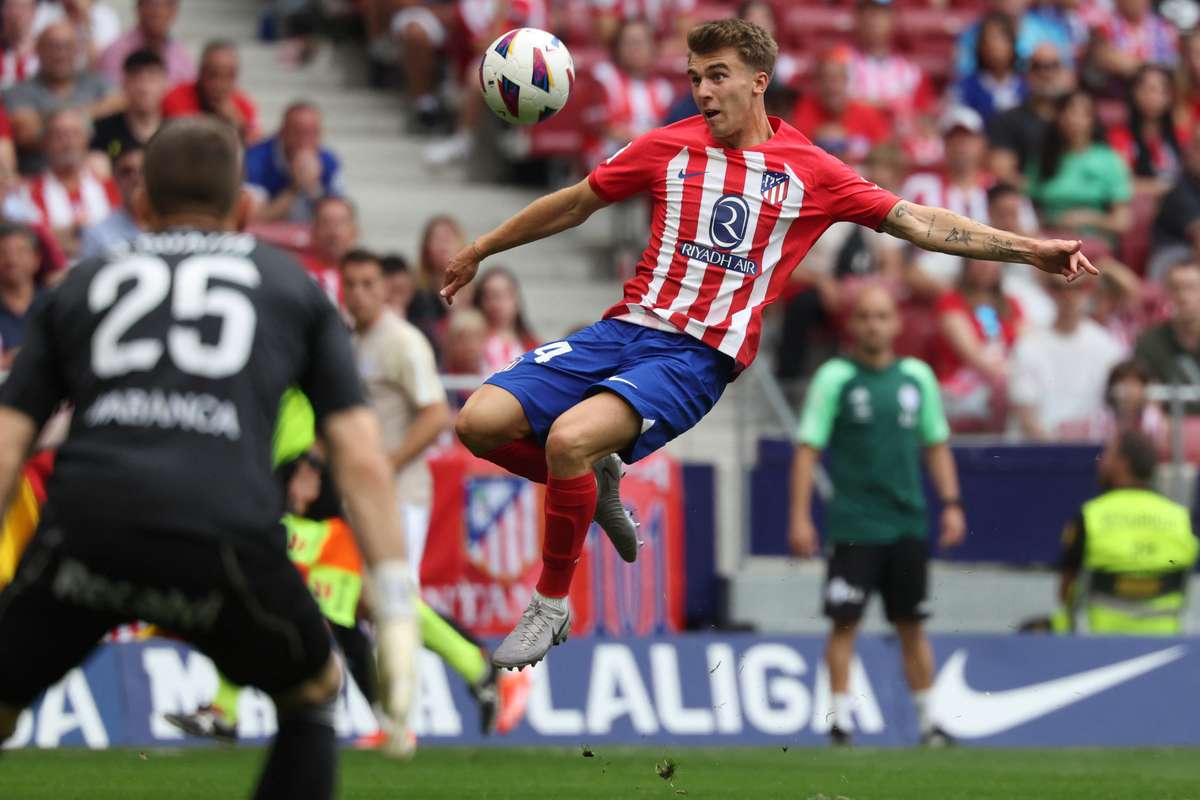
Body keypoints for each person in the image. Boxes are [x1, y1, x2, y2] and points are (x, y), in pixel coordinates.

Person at [440, 18, 1098, 670]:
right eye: (696, 78)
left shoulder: (810, 170)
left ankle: (552, 605)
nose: (703, 91)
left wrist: (1030, 250)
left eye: (717, 76)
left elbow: (919, 221)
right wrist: (481, 247)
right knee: (478, 423)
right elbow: (577, 203)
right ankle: (596, 477)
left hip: (694, 355)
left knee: (566, 441)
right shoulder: (669, 145)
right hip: (623, 329)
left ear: (759, 82)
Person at [0, 117, 421, 790]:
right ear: (246, 209)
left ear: (139, 207)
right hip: (221, 534)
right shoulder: (290, 286)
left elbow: (10, 440)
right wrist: (395, 606)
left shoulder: (79, 284)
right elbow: (360, 453)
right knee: (311, 691)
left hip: (86, 530)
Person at [340, 249, 519, 738]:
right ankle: (474, 666)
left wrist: (388, 465)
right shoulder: (354, 342)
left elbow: (436, 413)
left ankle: (399, 718)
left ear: (384, 289)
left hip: (400, 491)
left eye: (366, 284)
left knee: (386, 598)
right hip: (367, 493)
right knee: (364, 600)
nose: (357, 293)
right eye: (349, 284)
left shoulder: (401, 342)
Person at [790, 285, 964, 747]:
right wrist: (800, 517)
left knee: (912, 624)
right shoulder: (835, 377)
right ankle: (840, 722)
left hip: (907, 522)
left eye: (882, 316)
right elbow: (808, 451)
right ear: (853, 324)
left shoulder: (916, 378)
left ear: (896, 323)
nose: (873, 324)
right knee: (844, 623)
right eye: (865, 316)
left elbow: (936, 444)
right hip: (854, 525)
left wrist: (951, 503)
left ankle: (929, 725)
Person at [1054, 430, 1197, 634]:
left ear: (1123, 463)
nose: (1100, 462)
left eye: (1108, 454)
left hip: (1096, 641)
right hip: (1164, 638)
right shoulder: (1181, 518)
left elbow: (1065, 593)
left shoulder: (1090, 516)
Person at [1009, 275, 1125, 440]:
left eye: (1077, 288)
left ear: (1088, 291)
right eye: (1060, 288)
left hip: (1092, 450)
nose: (1069, 296)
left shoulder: (1108, 347)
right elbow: (1026, 418)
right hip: (1040, 450)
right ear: (1050, 292)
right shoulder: (1028, 346)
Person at [3, 22, 121, 174]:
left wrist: (56, 121)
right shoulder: (18, 91)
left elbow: (121, 102)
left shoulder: (95, 81)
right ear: (38, 50)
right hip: (38, 175)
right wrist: (88, 115)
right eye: (52, 46)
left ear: (77, 50)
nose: (60, 53)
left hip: (93, 171)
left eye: (66, 46)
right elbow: (27, 133)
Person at [902, 106, 994, 297]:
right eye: (954, 139)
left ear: (982, 143)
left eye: (967, 138)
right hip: (932, 275)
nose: (961, 145)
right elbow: (895, 244)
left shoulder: (998, 190)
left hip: (989, 276)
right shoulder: (919, 186)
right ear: (944, 144)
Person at [1027, 89, 1132, 243]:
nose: (1073, 119)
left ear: (1092, 119)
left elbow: (1122, 222)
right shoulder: (1044, 158)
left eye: (1082, 114)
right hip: (1048, 240)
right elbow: (1030, 208)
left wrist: (1089, 218)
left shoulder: (1109, 159)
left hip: (1093, 241)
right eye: (1067, 112)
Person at [931, 259, 1025, 429]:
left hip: (1006, 383)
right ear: (967, 264)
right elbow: (972, 355)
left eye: (992, 261)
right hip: (961, 388)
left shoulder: (1012, 304)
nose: (986, 266)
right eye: (979, 260)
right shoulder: (951, 302)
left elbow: (1028, 348)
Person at [20, 108, 118, 258]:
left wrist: (61, 235)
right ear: (45, 142)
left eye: (74, 134)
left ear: (86, 140)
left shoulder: (109, 185)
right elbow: (33, 243)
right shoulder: (29, 192)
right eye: (59, 135)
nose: (68, 142)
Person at [986, 42, 1073, 188]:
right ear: (1027, 73)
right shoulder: (1007, 120)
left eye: (1053, 65)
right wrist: (1044, 194)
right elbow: (1002, 170)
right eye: (1037, 66)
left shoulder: (1079, 119)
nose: (1046, 73)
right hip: (1028, 202)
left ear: (1065, 71)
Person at [245, 102, 345, 224]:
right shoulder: (255, 160)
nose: (305, 140)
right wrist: (295, 187)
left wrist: (314, 188)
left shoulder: (329, 161)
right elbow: (253, 219)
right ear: (282, 132)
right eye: (298, 132)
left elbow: (338, 220)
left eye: (313, 132)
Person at [791, 46, 889, 166]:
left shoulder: (867, 114)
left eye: (837, 79)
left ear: (846, 81)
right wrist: (819, 138)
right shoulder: (805, 108)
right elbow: (795, 152)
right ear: (816, 83)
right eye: (825, 80)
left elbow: (885, 154)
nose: (832, 87)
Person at [1106, 65, 1185, 195]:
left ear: (1170, 97)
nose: (1151, 96)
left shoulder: (1180, 136)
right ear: (1134, 92)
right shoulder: (1119, 136)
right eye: (1145, 88)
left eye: (1159, 90)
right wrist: (1161, 187)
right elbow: (1121, 184)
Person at [162, 40, 261, 144]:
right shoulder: (177, 97)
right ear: (201, 72)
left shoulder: (244, 106)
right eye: (214, 75)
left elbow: (256, 146)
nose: (221, 85)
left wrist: (238, 124)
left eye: (229, 76)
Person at [1134, 261, 1200, 412]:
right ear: (1167, 293)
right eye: (1176, 288)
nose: (1183, 296)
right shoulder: (1150, 343)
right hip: (1166, 430)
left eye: (1190, 287)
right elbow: (1142, 400)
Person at [90, 48, 166, 161]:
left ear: (164, 84)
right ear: (124, 84)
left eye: (152, 79)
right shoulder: (102, 131)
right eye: (136, 79)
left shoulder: (174, 134)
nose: (144, 88)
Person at [97, 0, 195, 87]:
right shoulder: (116, 51)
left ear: (174, 11)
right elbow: (109, 96)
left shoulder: (181, 55)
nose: (158, 12)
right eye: (152, 4)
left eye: (166, 5)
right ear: (138, 8)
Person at [952, 12, 1029, 121]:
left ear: (1012, 44)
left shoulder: (1027, 87)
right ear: (980, 47)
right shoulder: (965, 89)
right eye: (989, 40)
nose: (995, 46)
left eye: (1000, 39)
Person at [78, 143, 143, 260]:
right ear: (115, 179)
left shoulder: (173, 223)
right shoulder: (97, 234)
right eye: (126, 172)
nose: (135, 178)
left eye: (142, 170)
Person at [472, 266, 539, 372]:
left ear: (516, 300)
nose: (499, 303)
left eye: (506, 295)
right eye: (491, 296)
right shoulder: (469, 340)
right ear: (480, 301)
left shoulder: (532, 344)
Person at [300, 195, 357, 305]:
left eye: (341, 223)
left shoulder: (371, 274)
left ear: (354, 231)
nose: (334, 233)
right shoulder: (300, 275)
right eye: (326, 223)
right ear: (313, 231)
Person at [0, 223, 43, 361]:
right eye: (3, 252)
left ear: (36, 259)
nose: (12, 260)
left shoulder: (54, 304)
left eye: (21, 251)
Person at [0, 0, 39, 89]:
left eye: (23, 8)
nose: (16, 13)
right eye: (11, 7)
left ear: (34, 12)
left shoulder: (46, 53)